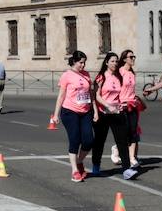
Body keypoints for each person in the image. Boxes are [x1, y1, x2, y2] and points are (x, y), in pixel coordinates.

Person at [89, 52, 137, 179]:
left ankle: (126, 169)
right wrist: (107, 105)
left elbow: (121, 93)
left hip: (116, 113)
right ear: (106, 63)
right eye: (112, 61)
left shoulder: (119, 77)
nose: (115, 63)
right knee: (99, 141)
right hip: (103, 113)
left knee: (122, 141)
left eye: (116, 61)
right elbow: (97, 95)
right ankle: (96, 166)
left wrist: (121, 104)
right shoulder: (101, 77)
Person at [49, 51, 94, 182]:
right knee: (75, 139)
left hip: (85, 111)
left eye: (84, 62)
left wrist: (95, 111)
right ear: (74, 62)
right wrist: (56, 114)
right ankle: (75, 170)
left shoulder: (86, 75)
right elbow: (61, 95)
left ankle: (79, 161)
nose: (83, 65)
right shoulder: (66, 76)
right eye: (80, 62)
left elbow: (90, 94)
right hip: (70, 111)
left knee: (89, 140)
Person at [111, 49, 142, 169]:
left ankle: (132, 157)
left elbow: (131, 90)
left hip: (132, 105)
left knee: (133, 132)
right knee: (125, 132)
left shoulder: (132, 73)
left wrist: (136, 99)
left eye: (134, 57)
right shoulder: (119, 72)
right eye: (131, 57)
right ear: (124, 59)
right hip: (122, 106)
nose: (133, 59)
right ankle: (116, 148)